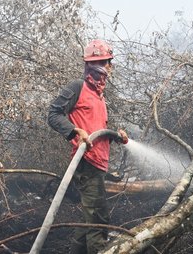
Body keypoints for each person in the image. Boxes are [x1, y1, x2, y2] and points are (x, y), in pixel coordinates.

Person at [47, 39, 128, 254]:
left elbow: (96, 130)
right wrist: (75, 131)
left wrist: (116, 136)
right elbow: (53, 114)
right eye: (108, 62)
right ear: (97, 63)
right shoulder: (78, 87)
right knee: (99, 221)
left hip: (98, 165)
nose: (110, 67)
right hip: (86, 163)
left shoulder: (99, 96)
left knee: (88, 220)